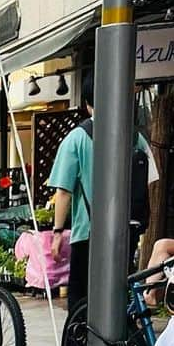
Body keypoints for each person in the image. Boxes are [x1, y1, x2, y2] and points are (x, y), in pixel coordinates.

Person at [49, 75, 158, 328]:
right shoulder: (133, 136)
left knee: (81, 296)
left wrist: (57, 233)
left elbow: (63, 191)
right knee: (119, 292)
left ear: (87, 103)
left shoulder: (76, 138)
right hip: (126, 229)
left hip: (88, 234)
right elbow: (151, 180)